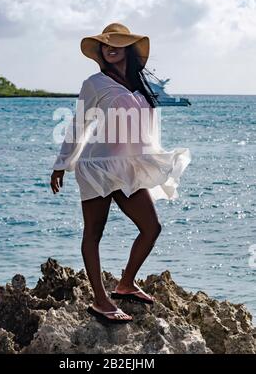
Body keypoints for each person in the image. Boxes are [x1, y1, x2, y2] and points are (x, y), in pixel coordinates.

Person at [51, 23, 191, 324]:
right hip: (97, 168)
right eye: (105, 44)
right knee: (94, 233)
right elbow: (79, 125)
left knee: (151, 227)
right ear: (100, 51)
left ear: (129, 48)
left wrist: (150, 162)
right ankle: (101, 302)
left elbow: (147, 132)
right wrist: (61, 163)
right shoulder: (94, 83)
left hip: (127, 168)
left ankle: (125, 283)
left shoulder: (142, 87)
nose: (110, 47)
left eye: (117, 42)